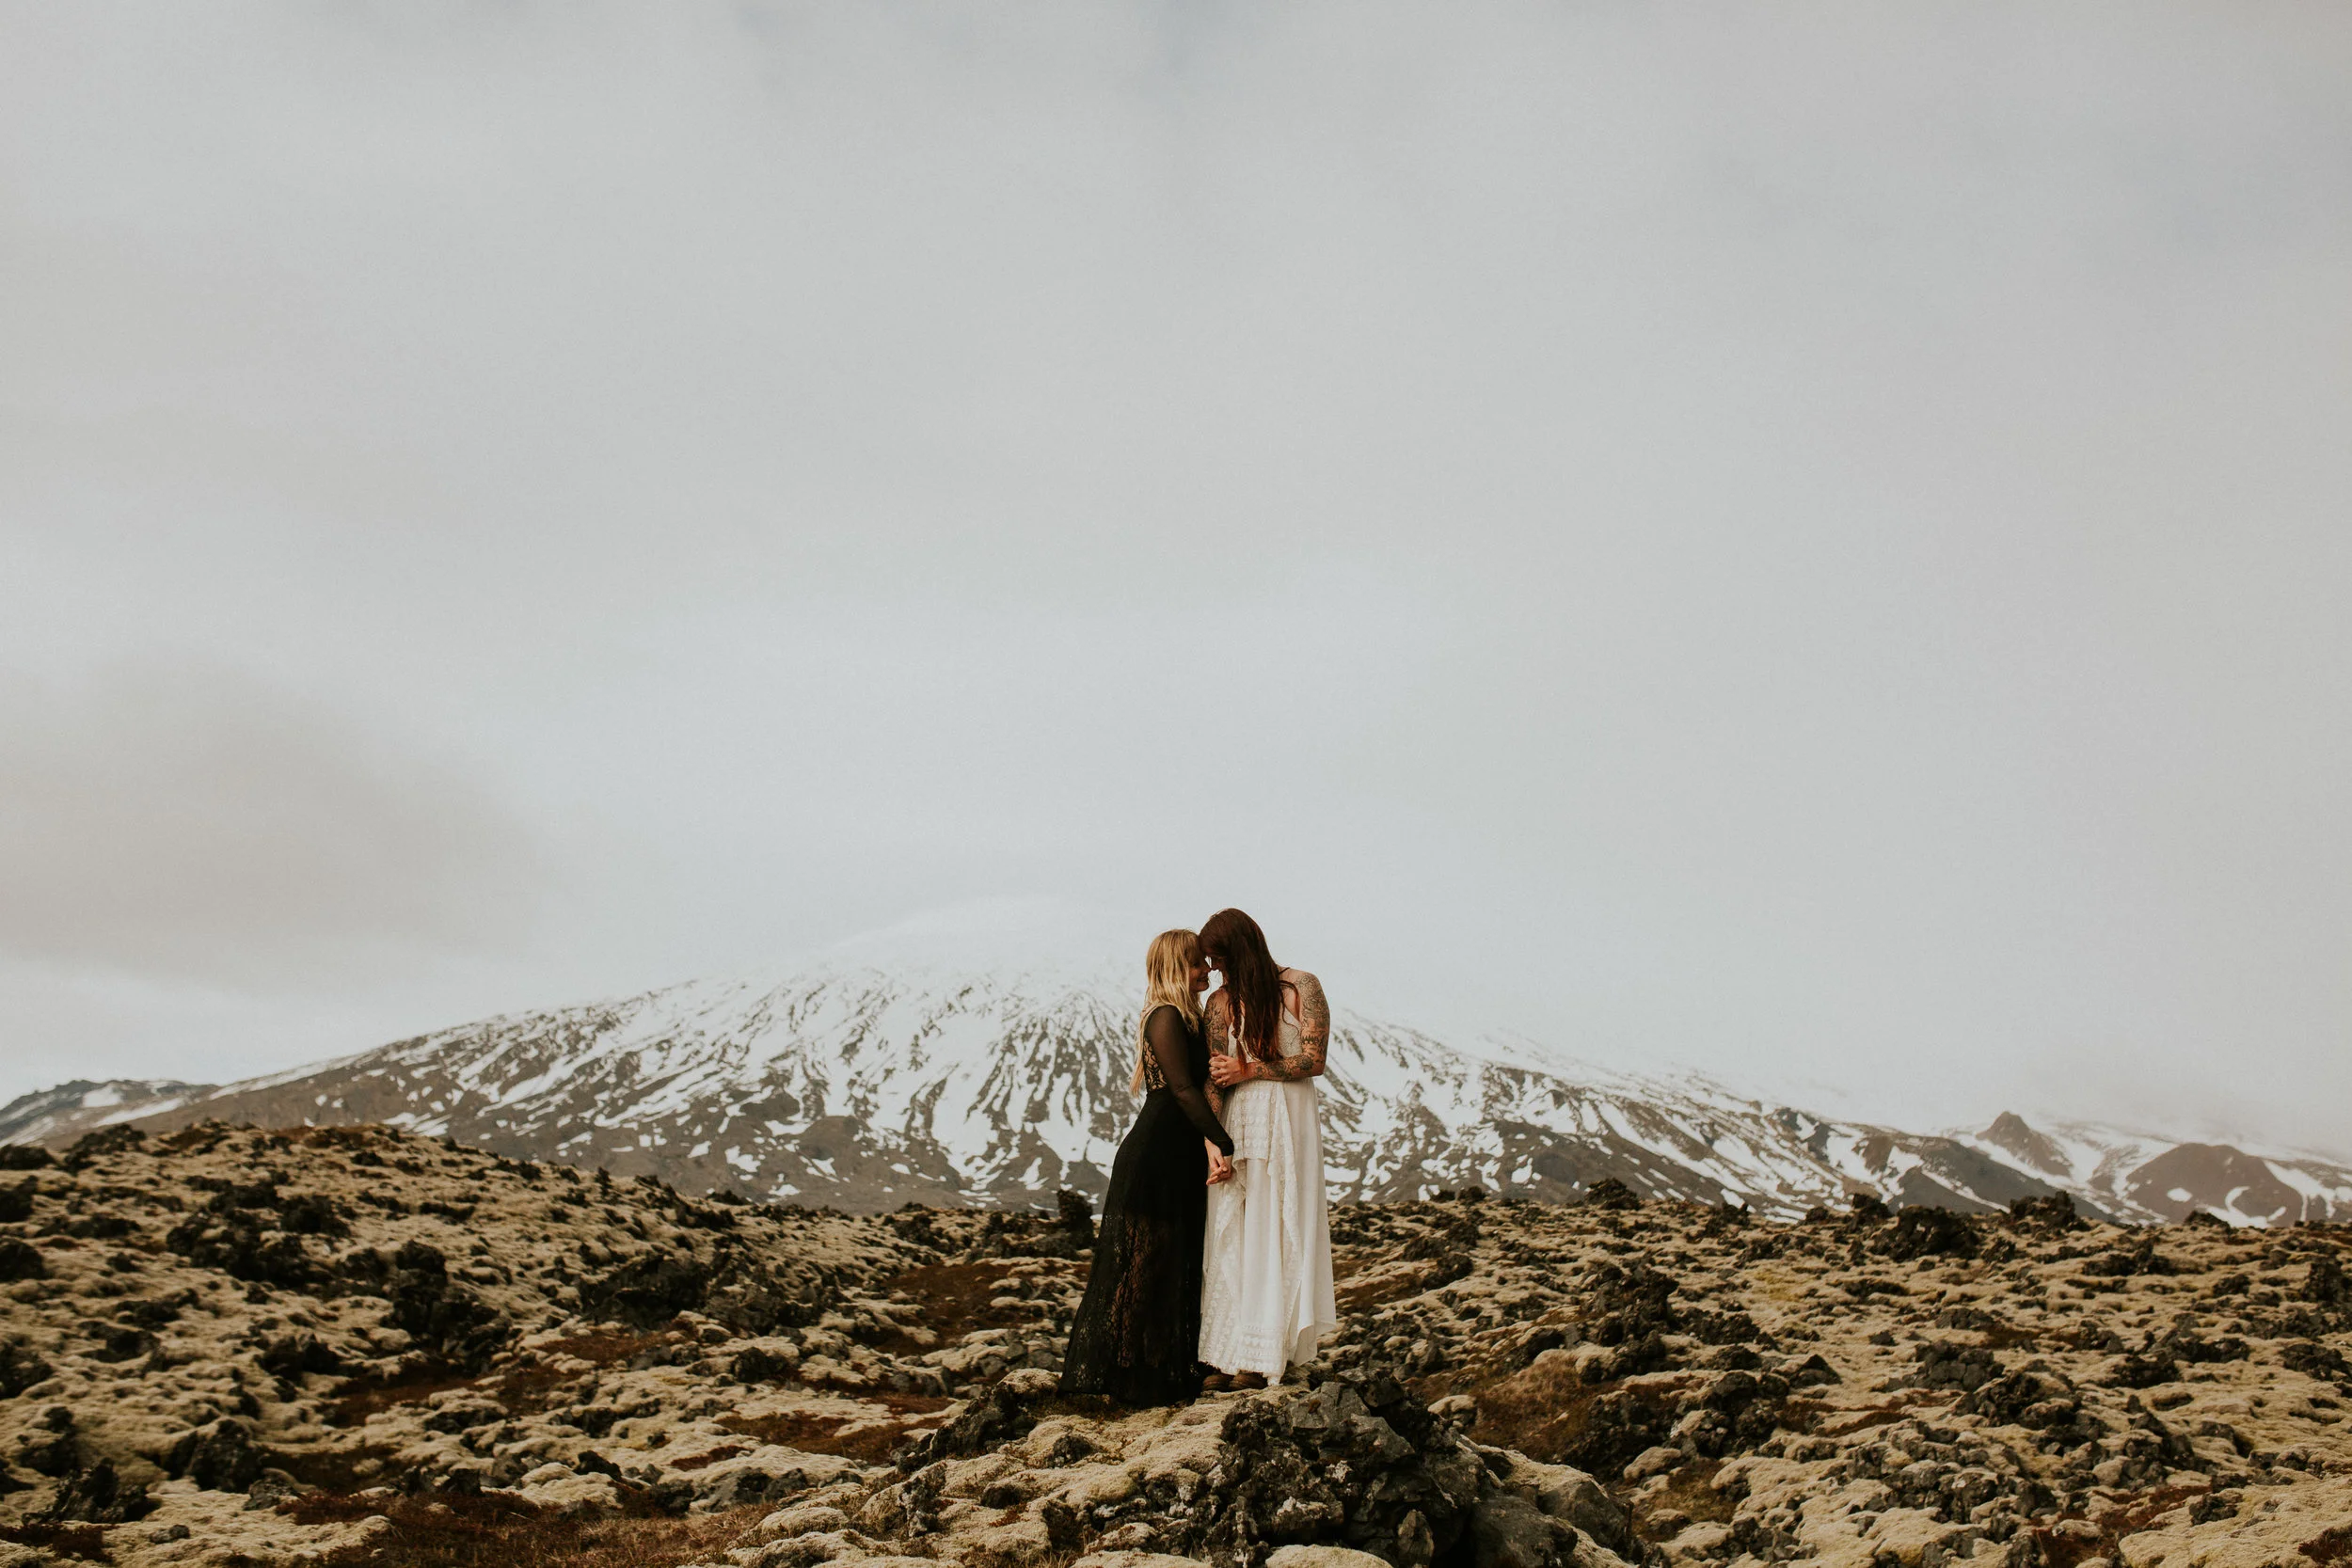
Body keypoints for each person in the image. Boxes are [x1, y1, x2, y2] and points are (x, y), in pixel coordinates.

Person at [1060, 928, 1236, 1405]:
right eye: (1197, 963)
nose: (1206, 970)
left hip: (1178, 1155)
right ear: (1176, 967)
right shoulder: (1165, 1016)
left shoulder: (1190, 1017)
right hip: (1155, 1155)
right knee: (1143, 1266)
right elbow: (1181, 1090)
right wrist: (1223, 1142)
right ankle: (1124, 1380)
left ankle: (1162, 1374)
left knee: (1172, 1263)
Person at [1197, 908, 1337, 1390]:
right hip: (1241, 1118)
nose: (1215, 968)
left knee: (1278, 1221)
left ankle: (1263, 1355)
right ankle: (1226, 1352)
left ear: (1241, 949)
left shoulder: (1301, 986)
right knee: (1236, 1224)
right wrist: (1212, 1141)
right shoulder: (1219, 1002)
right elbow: (1215, 1077)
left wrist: (1251, 1069)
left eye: (1220, 958)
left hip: (1288, 1118)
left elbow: (1314, 1060)